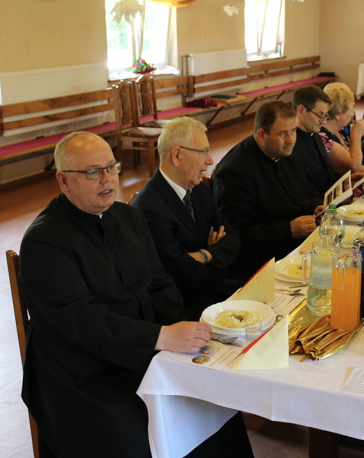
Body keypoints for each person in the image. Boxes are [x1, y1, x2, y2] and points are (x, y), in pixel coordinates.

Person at [19, 131, 252, 457]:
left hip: (143, 350)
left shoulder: (128, 216)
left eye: (111, 168)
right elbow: (83, 321)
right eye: (92, 172)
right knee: (131, 427)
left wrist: (179, 341)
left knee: (215, 402)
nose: (106, 179)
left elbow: (160, 284)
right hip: (83, 372)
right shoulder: (45, 241)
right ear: (63, 180)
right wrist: (161, 337)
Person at [131, 117, 240, 320]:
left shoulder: (198, 189)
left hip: (215, 294)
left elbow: (233, 238)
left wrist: (204, 256)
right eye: (203, 152)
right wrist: (218, 256)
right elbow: (183, 277)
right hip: (186, 311)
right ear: (177, 154)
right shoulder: (149, 207)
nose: (209, 160)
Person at [212, 101, 324, 281]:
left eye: (294, 131)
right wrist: (288, 230)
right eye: (283, 134)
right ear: (262, 135)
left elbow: (306, 190)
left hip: (298, 247)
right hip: (263, 262)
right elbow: (238, 235)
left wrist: (316, 206)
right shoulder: (234, 171)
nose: (291, 140)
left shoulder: (286, 151)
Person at [291, 85, 338, 194]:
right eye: (320, 115)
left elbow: (325, 175)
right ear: (301, 110)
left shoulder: (314, 134)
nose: (324, 122)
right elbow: (301, 189)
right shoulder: (290, 145)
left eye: (325, 116)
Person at [319, 85, 364, 176]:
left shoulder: (340, 131)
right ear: (337, 114)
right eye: (351, 110)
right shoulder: (323, 138)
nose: (352, 114)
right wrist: (356, 136)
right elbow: (354, 168)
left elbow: (361, 167)